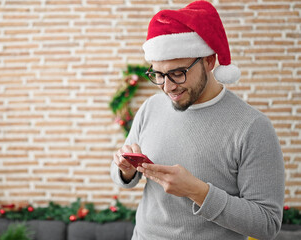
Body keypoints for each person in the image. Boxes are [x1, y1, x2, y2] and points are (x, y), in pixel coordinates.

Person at [110, 1, 285, 240]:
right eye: (158, 74)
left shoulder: (252, 128)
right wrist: (125, 170)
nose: (167, 87)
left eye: (177, 73)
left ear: (209, 61)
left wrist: (198, 192)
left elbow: (267, 224)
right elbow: (124, 179)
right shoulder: (151, 107)